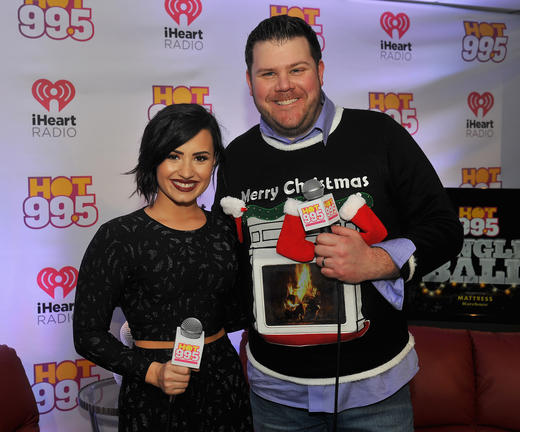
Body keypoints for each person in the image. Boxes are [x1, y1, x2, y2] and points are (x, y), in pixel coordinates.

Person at [212, 15, 463, 431]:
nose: (283, 85)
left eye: (297, 69)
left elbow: (444, 228)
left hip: (376, 391)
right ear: (250, 80)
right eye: (268, 73)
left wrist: (380, 260)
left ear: (320, 70)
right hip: (275, 395)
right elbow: (227, 261)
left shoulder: (379, 134)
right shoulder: (236, 158)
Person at [73, 103, 253, 431]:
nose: (187, 172)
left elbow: (239, 311)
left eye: (200, 158)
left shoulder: (226, 229)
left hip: (225, 387)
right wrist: (153, 372)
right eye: (174, 155)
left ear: (214, 162)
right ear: (153, 158)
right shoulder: (119, 236)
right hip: (153, 395)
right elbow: (87, 334)